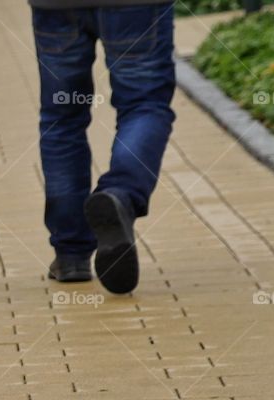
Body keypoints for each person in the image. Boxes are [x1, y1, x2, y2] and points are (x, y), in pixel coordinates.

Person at [31, 0, 176, 294]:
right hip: (137, 7)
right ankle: (121, 193)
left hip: (54, 8)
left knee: (62, 119)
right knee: (144, 104)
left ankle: (71, 253)